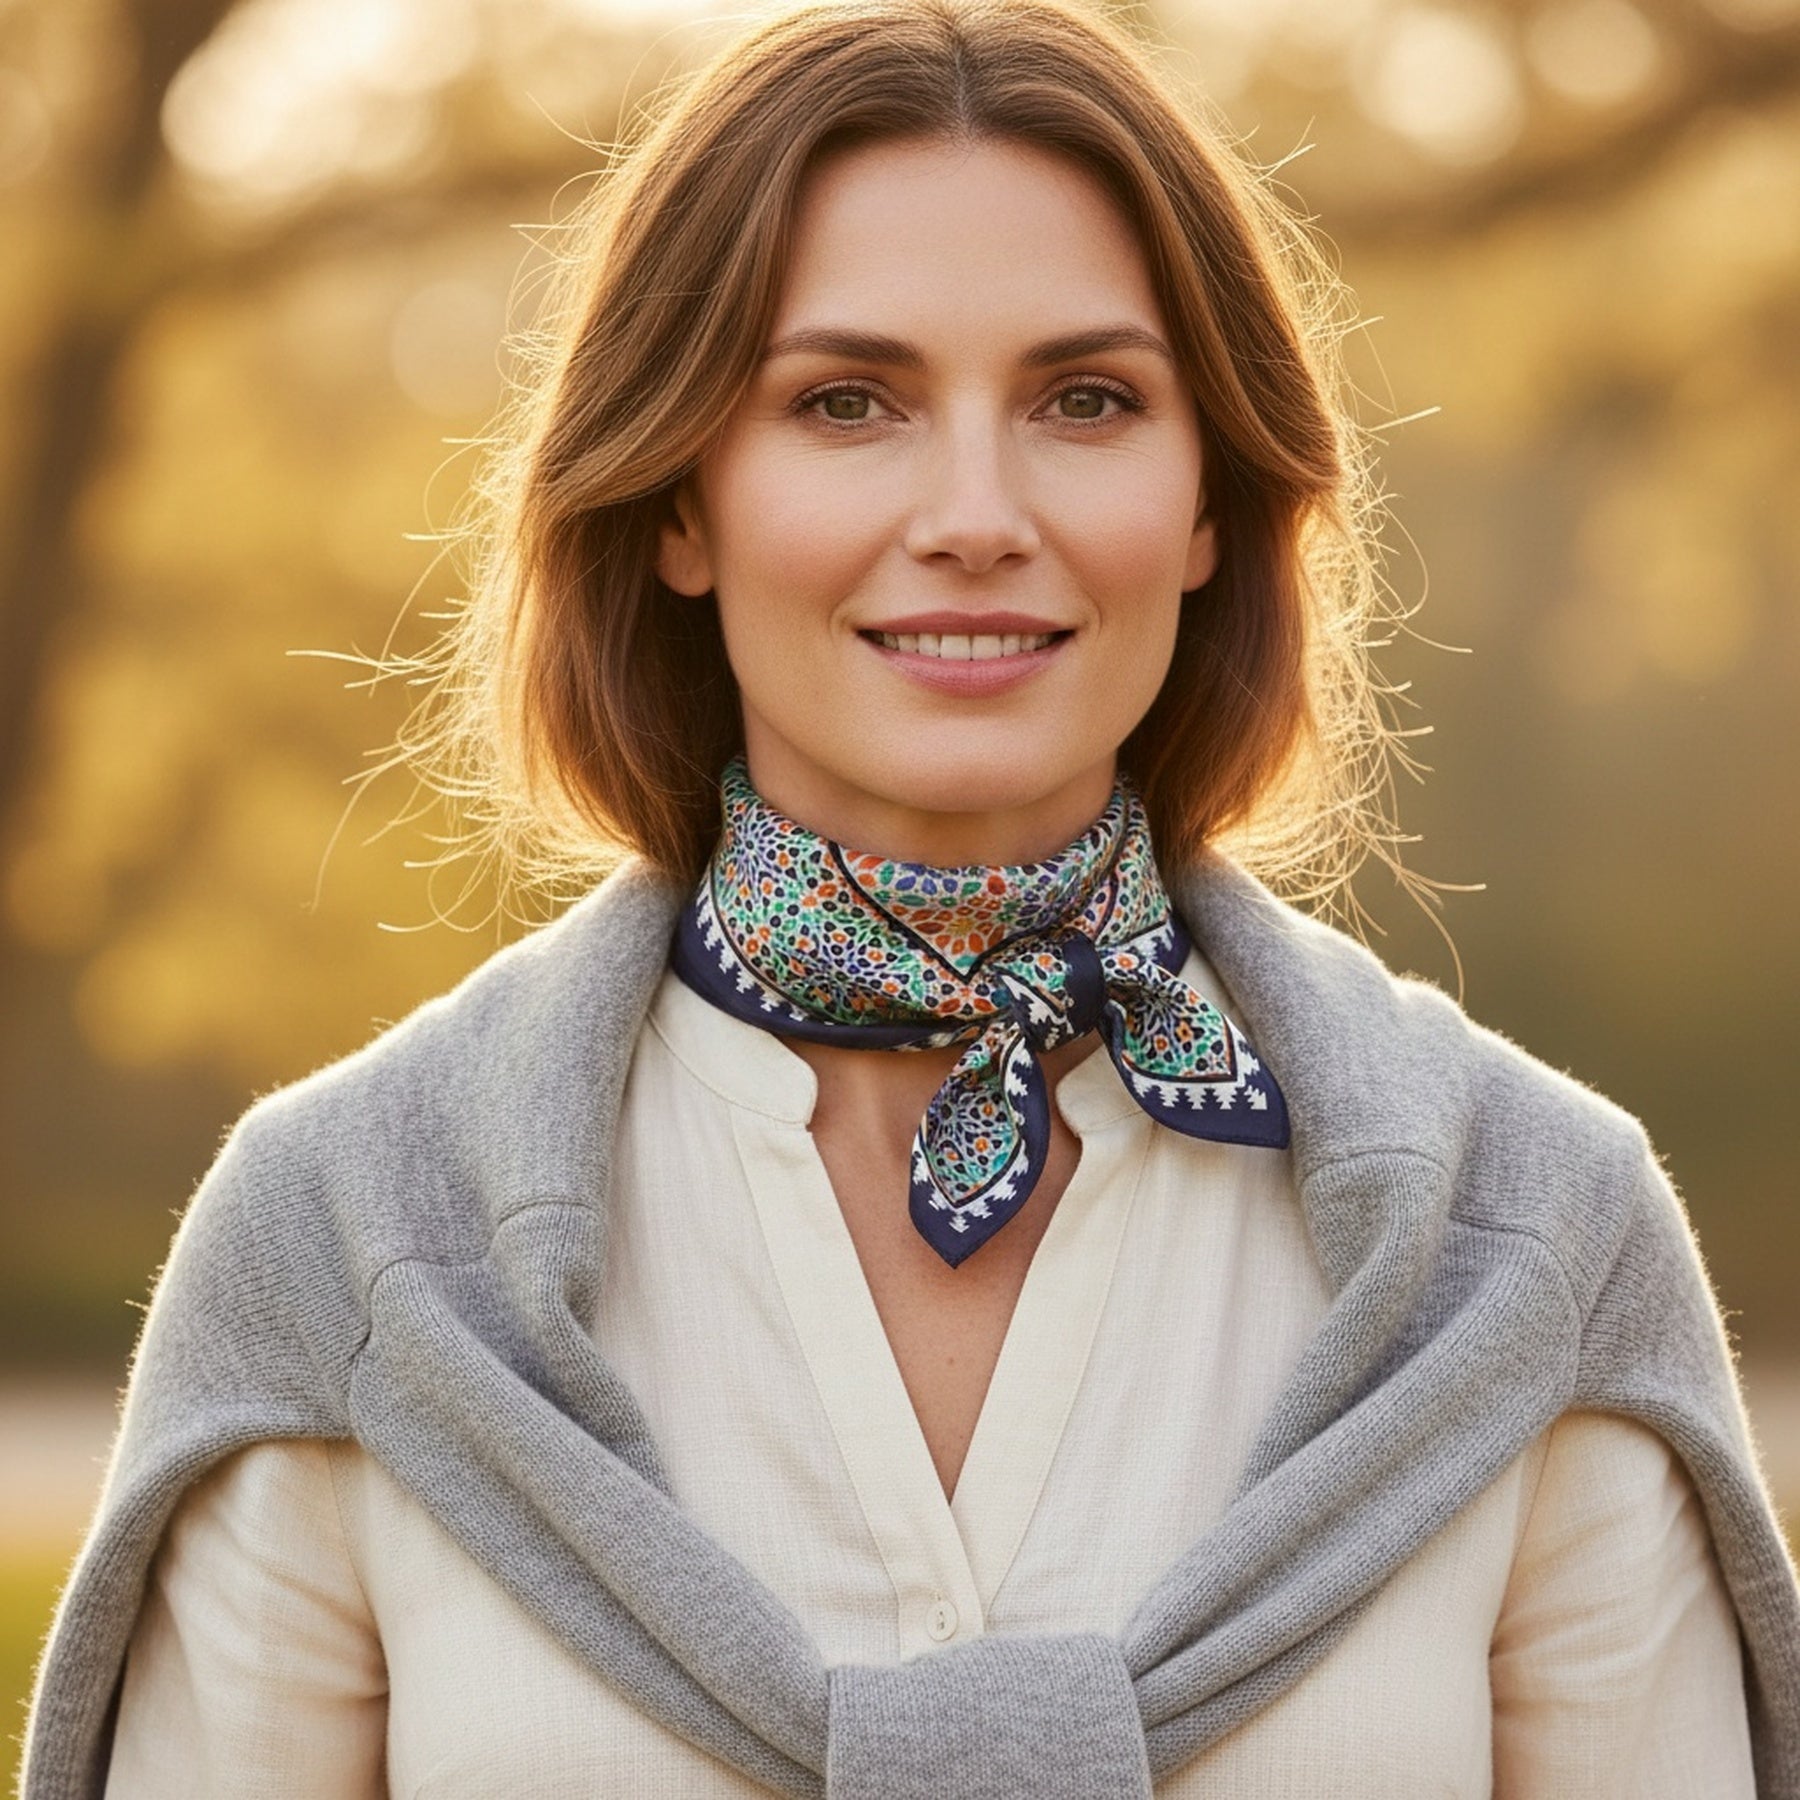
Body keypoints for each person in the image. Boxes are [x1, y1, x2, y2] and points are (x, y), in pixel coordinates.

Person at [21, 0, 1800, 1795]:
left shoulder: (1533, 1245)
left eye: (1085, 401)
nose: (974, 511)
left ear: (1206, 502)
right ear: (679, 504)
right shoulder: (346, 1249)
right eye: (845, 402)